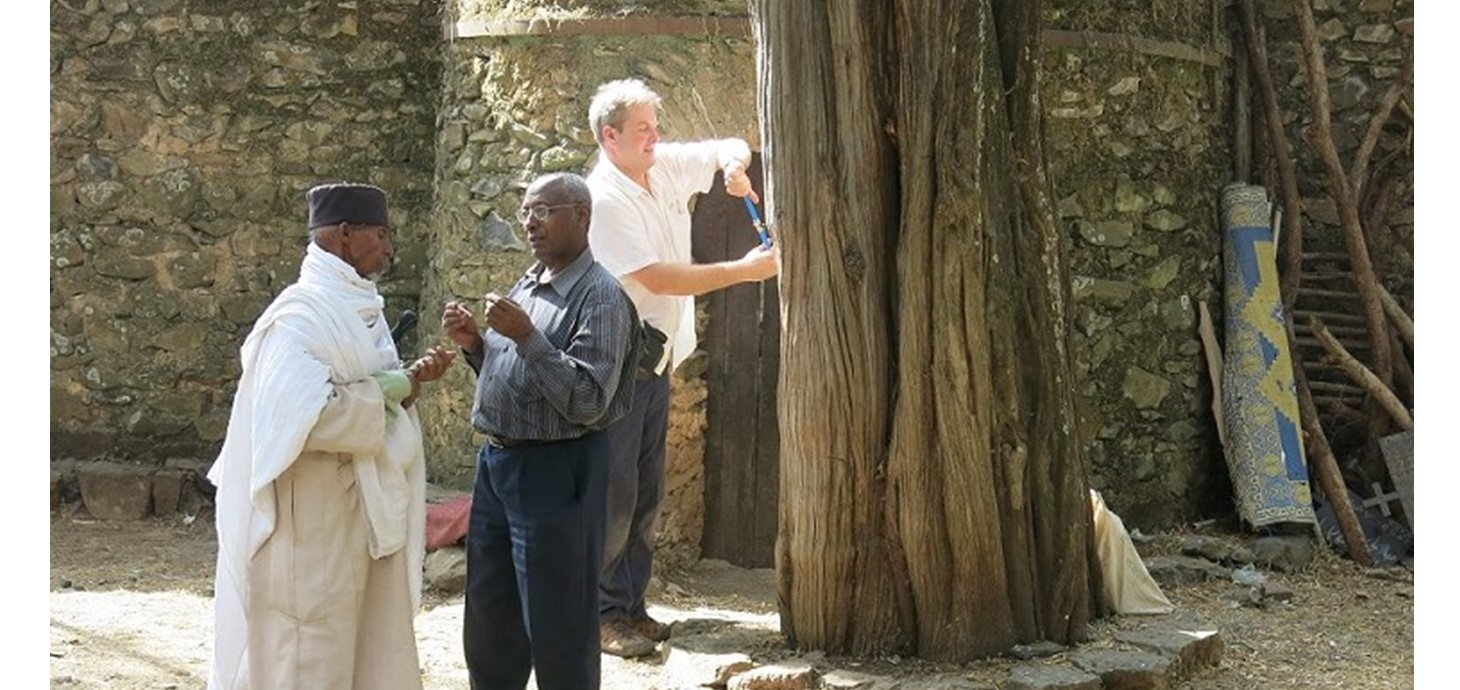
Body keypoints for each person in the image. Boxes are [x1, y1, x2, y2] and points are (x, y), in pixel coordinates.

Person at [208, 182, 457, 690]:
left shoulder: (359, 307)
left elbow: (375, 391)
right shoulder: (298, 318)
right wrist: (391, 388)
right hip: (311, 531)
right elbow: (306, 416)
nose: (389, 248)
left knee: (369, 654)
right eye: (381, 235)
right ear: (346, 235)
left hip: (364, 521)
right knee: (309, 662)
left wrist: (406, 386)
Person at [585, 77, 779, 657]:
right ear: (609, 136)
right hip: (616, 367)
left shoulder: (659, 165)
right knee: (614, 496)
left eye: (655, 126)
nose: (655, 138)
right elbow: (659, 277)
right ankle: (598, 616)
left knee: (644, 495)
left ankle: (630, 607)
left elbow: (727, 143)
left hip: (657, 360)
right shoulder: (604, 198)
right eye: (643, 129)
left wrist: (734, 166)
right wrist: (743, 270)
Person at [443, 172, 637, 690]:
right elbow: (518, 378)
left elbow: (588, 400)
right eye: (526, 211)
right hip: (498, 467)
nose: (531, 222)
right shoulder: (528, 285)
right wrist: (476, 347)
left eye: (544, 210)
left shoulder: (600, 298)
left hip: (557, 470)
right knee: (491, 616)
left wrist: (526, 335)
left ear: (582, 216)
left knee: (558, 623)